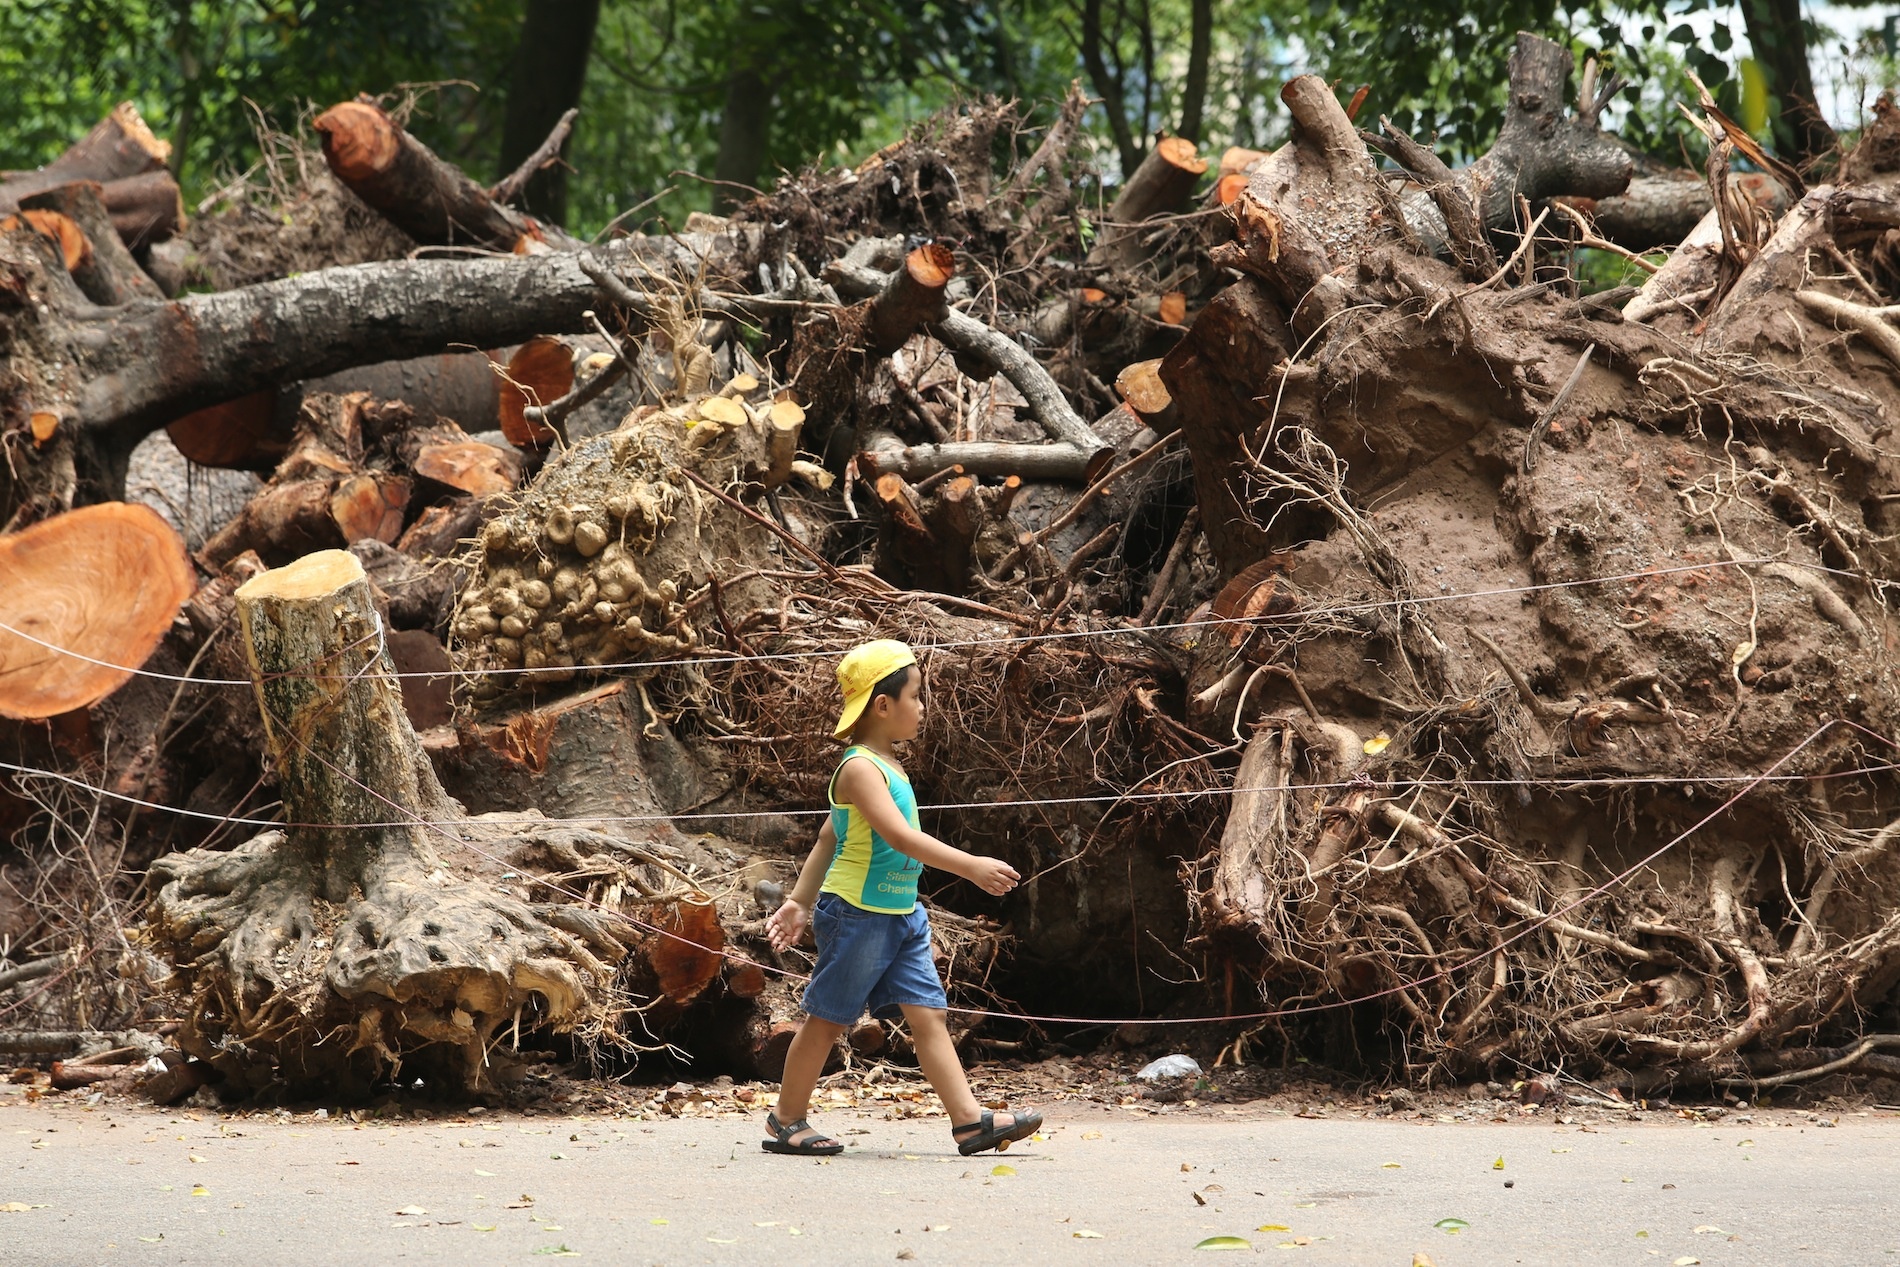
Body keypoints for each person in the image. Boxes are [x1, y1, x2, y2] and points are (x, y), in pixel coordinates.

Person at [761, 639, 1044, 1157]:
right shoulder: (859, 768)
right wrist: (970, 866)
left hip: (901, 913)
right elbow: (898, 837)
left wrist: (798, 900)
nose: (921, 707)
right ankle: (786, 1119)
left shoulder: (888, 765)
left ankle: (968, 1122)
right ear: (882, 704)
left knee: (928, 1014)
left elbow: (830, 833)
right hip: (857, 914)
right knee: (829, 1018)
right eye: (915, 696)